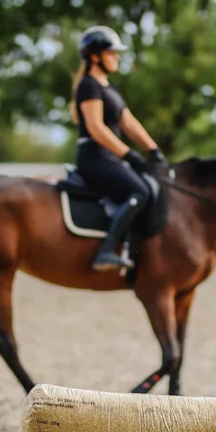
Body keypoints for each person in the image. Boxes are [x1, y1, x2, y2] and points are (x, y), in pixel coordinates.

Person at [71, 25, 166, 271]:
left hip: (109, 158)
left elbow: (128, 122)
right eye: (111, 53)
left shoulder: (109, 88)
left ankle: (135, 252)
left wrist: (153, 149)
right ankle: (106, 251)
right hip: (94, 158)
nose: (117, 57)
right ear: (95, 57)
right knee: (140, 191)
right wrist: (129, 154)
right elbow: (96, 128)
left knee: (151, 187)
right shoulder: (89, 86)